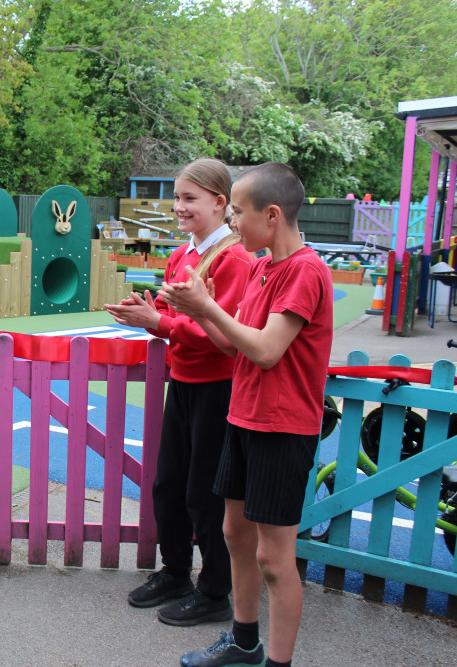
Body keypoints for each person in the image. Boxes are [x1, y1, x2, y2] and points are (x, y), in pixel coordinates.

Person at [160, 162, 332, 667]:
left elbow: (265, 351)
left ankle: (276, 661)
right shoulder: (260, 268)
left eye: (236, 211)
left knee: (274, 559)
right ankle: (243, 641)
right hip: (244, 418)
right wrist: (193, 309)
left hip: (282, 427)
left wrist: (208, 309)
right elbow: (232, 346)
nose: (232, 223)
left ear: (272, 215)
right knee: (235, 534)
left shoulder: (305, 271)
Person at [105, 158, 252, 626]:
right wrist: (147, 313)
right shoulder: (182, 254)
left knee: (206, 494)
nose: (179, 207)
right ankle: (175, 572)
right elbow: (176, 319)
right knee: (169, 484)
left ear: (219, 202)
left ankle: (215, 591)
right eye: (178, 197)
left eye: (189, 198)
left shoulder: (234, 258)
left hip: (218, 388)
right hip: (184, 383)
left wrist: (161, 323)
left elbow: (223, 334)